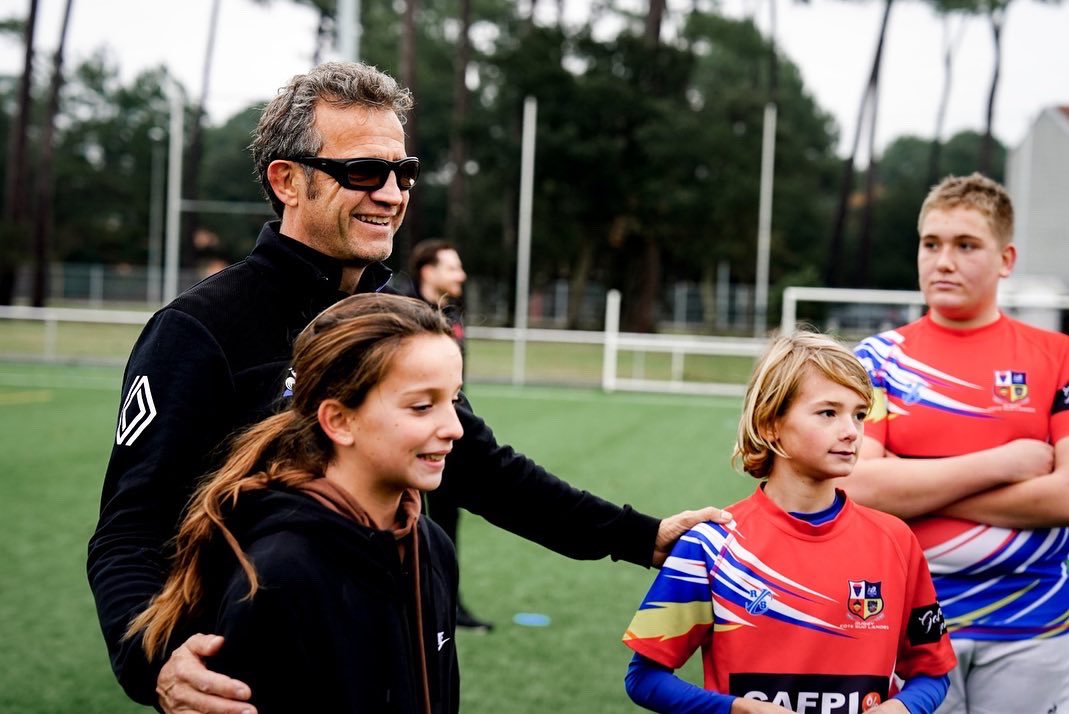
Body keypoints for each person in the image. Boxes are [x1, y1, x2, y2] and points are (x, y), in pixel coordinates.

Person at [86, 61, 725, 713]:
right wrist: (156, 661)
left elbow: (483, 468)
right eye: (362, 171)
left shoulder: (400, 312)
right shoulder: (199, 329)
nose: (391, 193)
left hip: (404, 645)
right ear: (288, 181)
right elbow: (131, 529)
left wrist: (638, 536)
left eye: (403, 172)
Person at [126, 293, 463, 713]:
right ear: (338, 421)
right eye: (421, 406)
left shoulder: (432, 548)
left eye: (453, 400)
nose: (454, 428)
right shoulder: (278, 574)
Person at [622, 331, 957, 714]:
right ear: (770, 425)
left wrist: (902, 709)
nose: (851, 430)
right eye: (828, 412)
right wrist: (737, 710)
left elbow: (933, 671)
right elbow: (645, 677)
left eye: (859, 414)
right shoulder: (713, 545)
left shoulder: (896, 539)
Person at [845, 172, 1069, 714]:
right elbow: (858, 487)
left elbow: (1065, 498)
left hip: (1032, 622)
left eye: (966, 245)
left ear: (1006, 259)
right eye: (931, 244)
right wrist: (1006, 462)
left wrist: (913, 481)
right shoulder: (875, 361)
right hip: (904, 621)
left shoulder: (1058, 355)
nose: (943, 261)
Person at [406, 239, 491, 630]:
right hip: (408, 439)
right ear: (428, 271)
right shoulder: (402, 313)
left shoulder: (452, 313)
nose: (462, 275)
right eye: (453, 267)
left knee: (444, 519)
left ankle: (447, 605)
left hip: (446, 431)